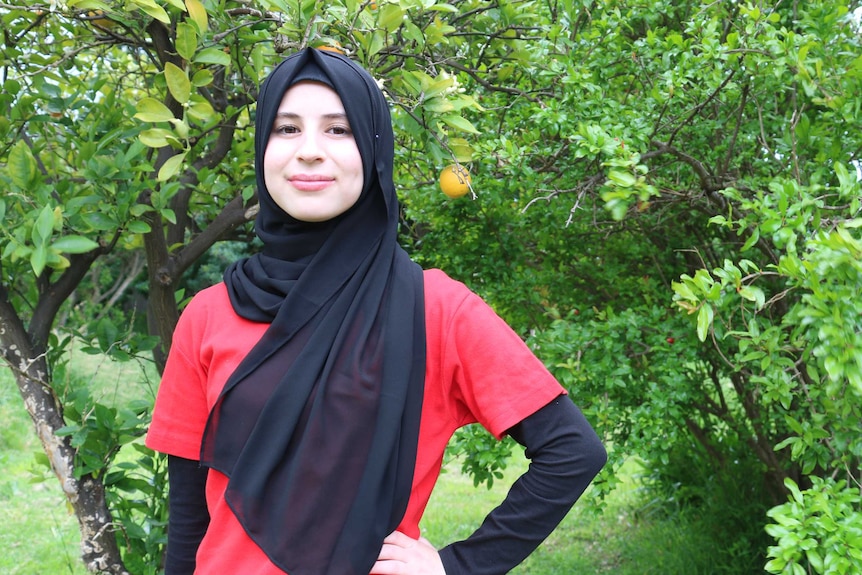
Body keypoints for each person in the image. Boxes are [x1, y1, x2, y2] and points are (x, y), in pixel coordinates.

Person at [145, 47, 607, 575]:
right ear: (261, 149)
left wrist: (457, 566)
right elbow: (188, 517)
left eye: (338, 130)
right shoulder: (209, 314)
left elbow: (572, 451)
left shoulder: (435, 309)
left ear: (373, 147)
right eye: (286, 128)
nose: (310, 152)